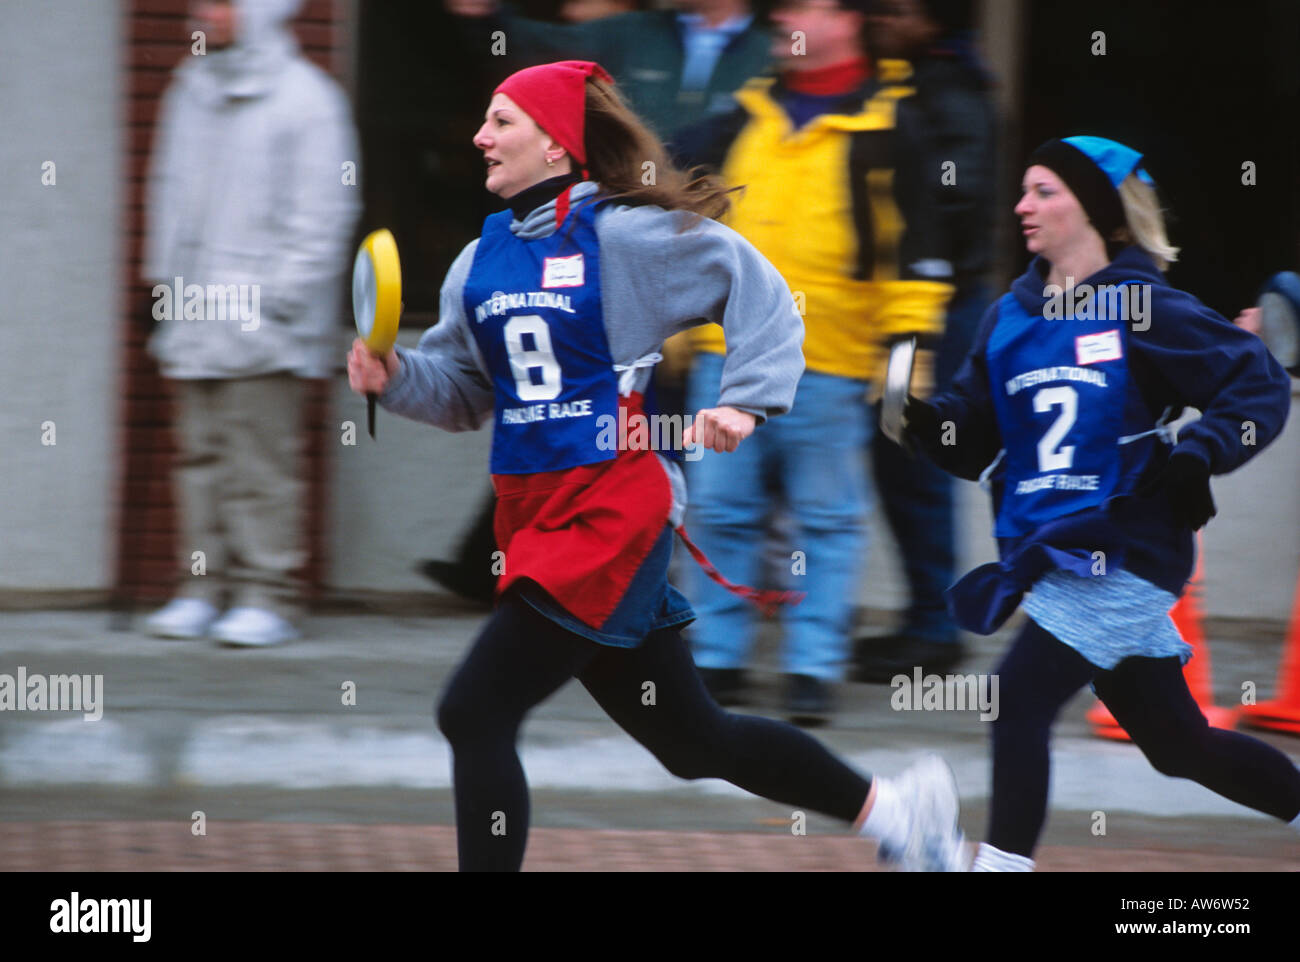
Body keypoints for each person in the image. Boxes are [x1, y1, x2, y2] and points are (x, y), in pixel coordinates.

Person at [347, 59, 965, 872]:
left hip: (611, 513)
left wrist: (746, 399)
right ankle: (898, 812)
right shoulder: (477, 262)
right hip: (537, 519)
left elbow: (761, 290)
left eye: (502, 121)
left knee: (474, 712)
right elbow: (463, 395)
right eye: (486, 121)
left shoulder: (625, 236)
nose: (480, 136)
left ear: (559, 145)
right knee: (693, 740)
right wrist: (394, 380)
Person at [901, 135, 1300, 870]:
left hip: (1125, 549)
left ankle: (1001, 866)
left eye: (1046, 190)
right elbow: (972, 433)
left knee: (1015, 699)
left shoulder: (1141, 306)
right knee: (1178, 747)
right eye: (1024, 190)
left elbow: (1257, 384)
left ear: (1100, 212)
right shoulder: (1008, 318)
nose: (1023, 205)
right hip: (1049, 555)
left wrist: (1200, 451)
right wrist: (928, 424)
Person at [672, 0, 955, 722]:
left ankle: (811, 671)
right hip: (725, 358)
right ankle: (717, 662)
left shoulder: (895, 126)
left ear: (848, 20)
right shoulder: (739, 118)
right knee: (721, 510)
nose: (782, 20)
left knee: (827, 521)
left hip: (828, 365)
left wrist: (903, 373)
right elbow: (672, 212)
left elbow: (917, 261)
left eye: (802, 6)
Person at [142, 0, 360, 646]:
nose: (198, 13)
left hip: (266, 323)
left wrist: (277, 301)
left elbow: (324, 214)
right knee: (199, 456)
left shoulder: (306, 99)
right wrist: (160, 283)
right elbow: (167, 188)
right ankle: (202, 587)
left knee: (260, 463)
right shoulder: (191, 88)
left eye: (218, 2)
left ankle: (269, 595)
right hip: (192, 308)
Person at [853, 0, 996, 682]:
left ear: (935, 23)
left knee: (914, 463)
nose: (880, 18)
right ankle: (925, 619)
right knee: (894, 461)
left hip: (932, 312)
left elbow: (955, 197)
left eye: (897, 10)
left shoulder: (952, 91)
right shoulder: (897, 82)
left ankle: (937, 629)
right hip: (894, 307)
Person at [444, 0, 771, 144]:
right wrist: (486, 18)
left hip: (732, 221)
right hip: (632, 215)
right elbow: (529, 50)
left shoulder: (773, 52)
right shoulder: (632, 32)